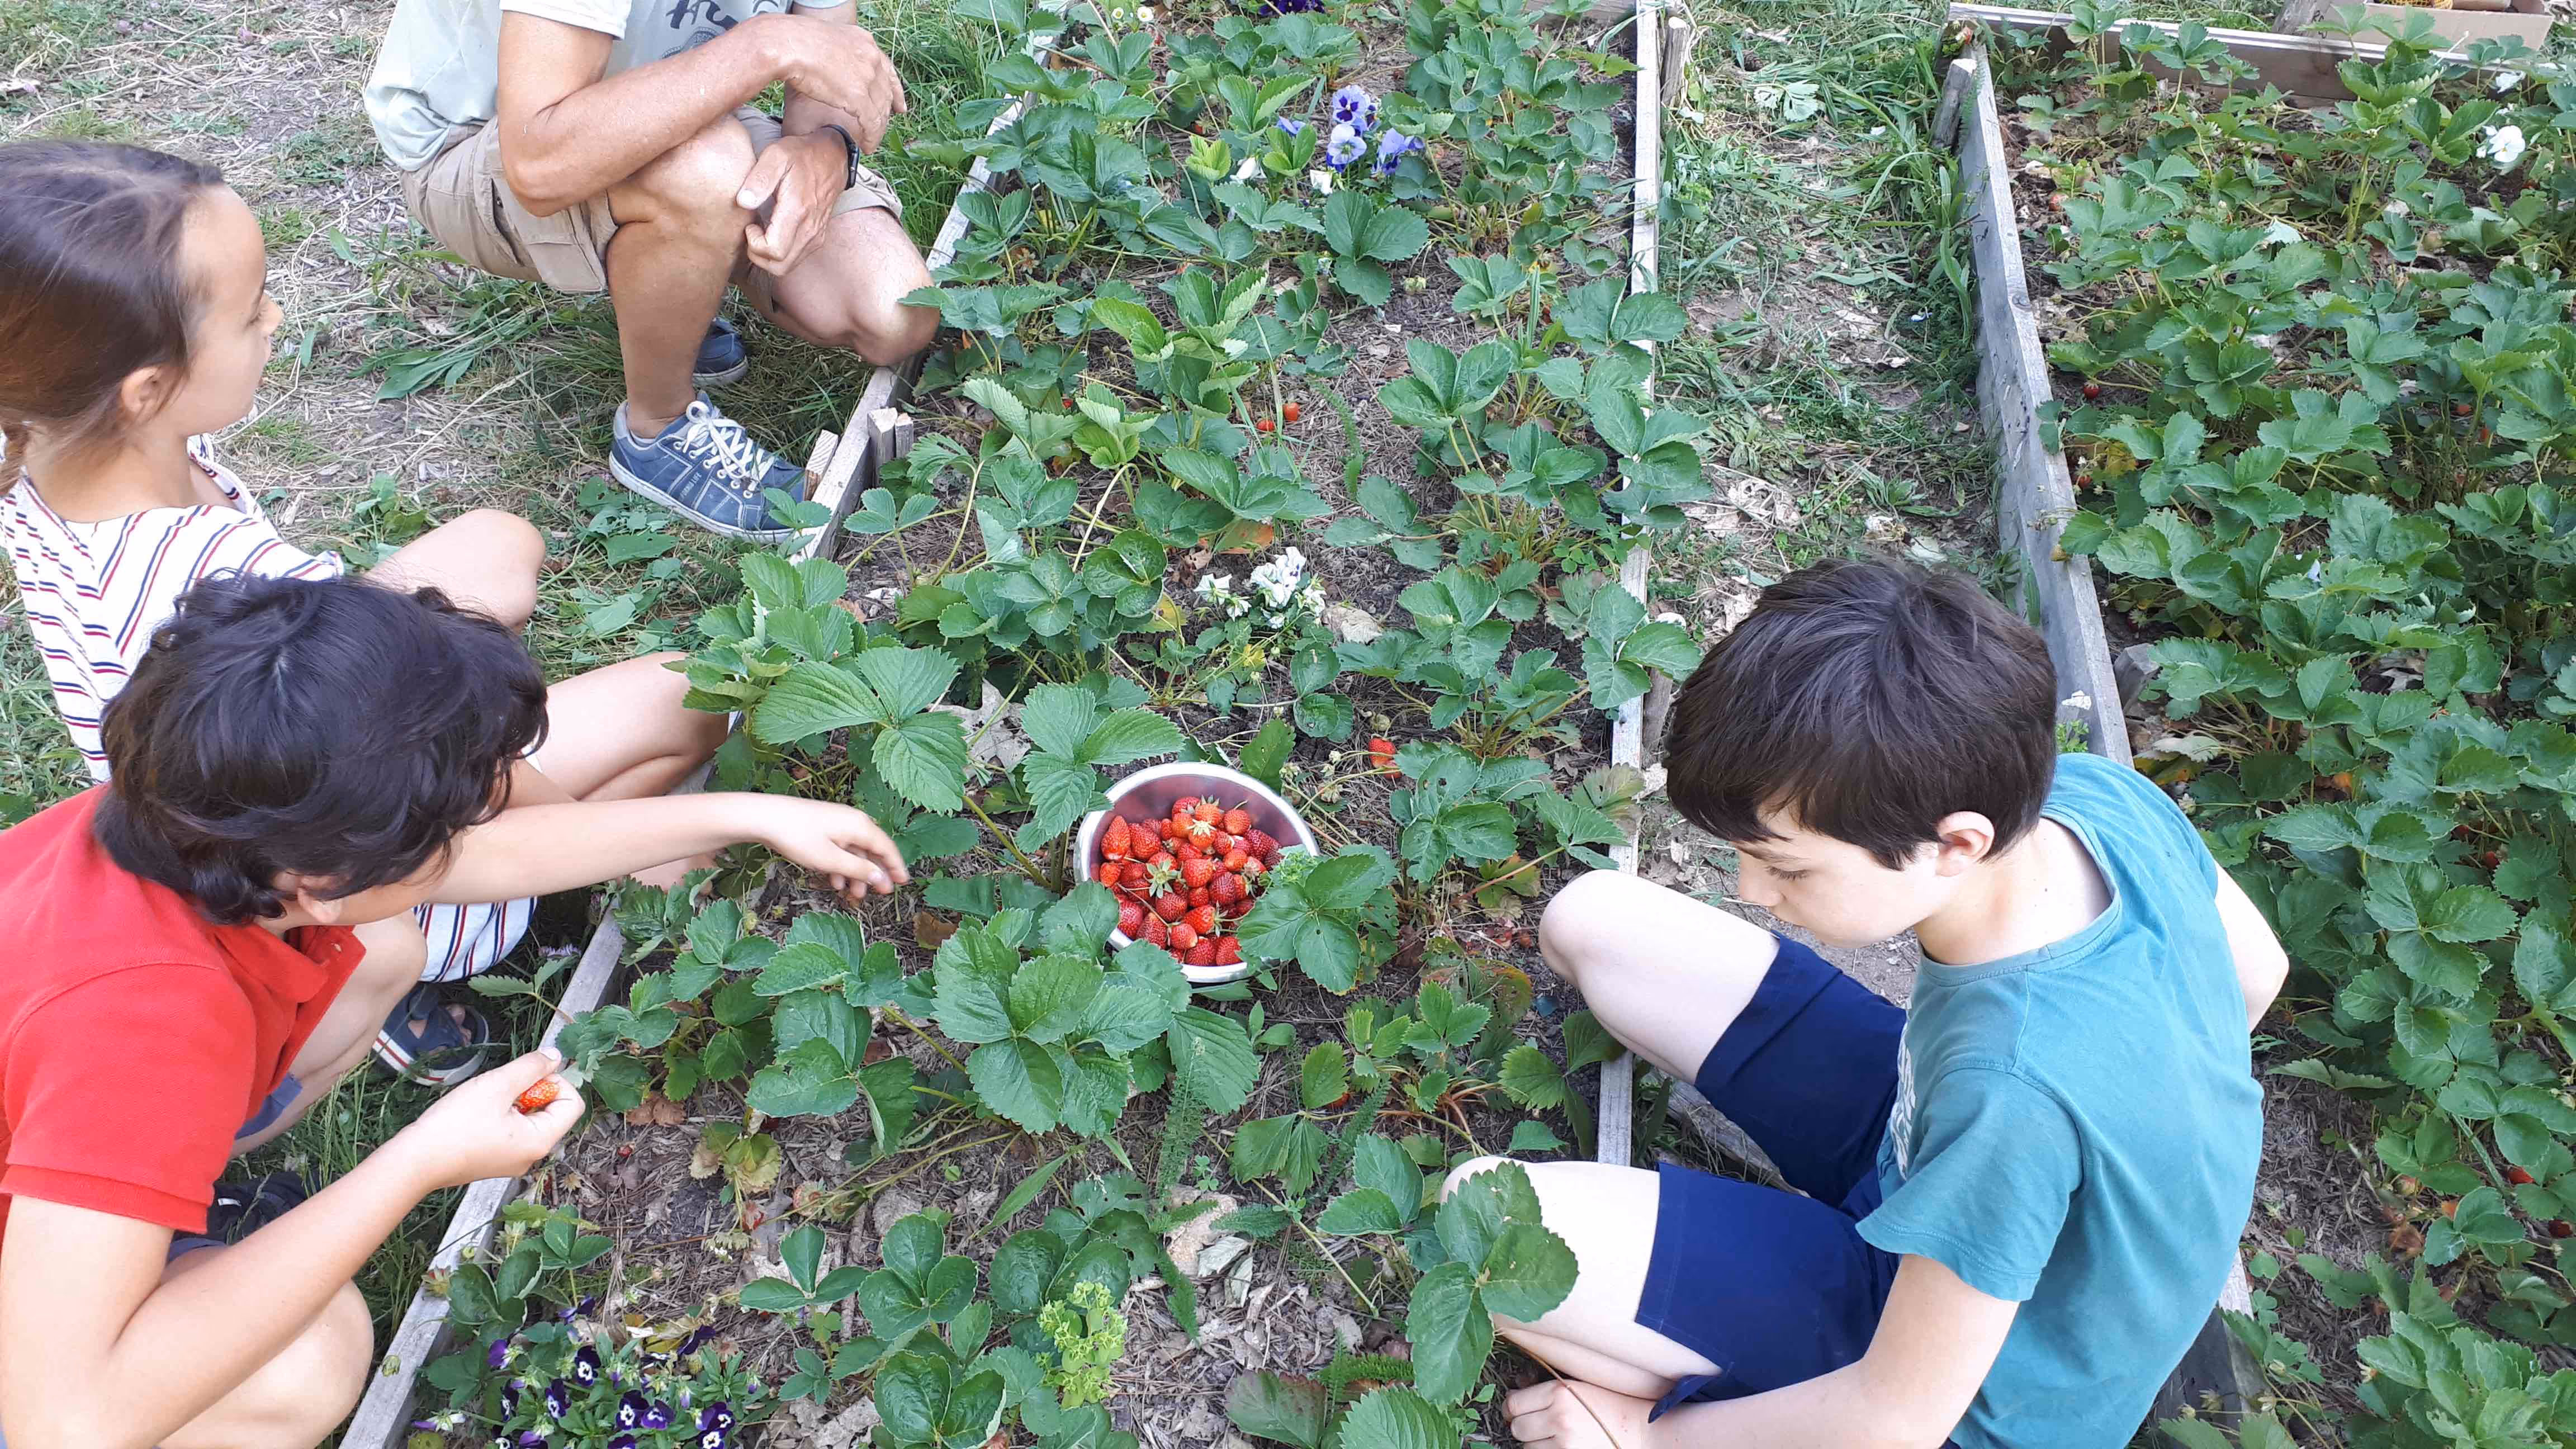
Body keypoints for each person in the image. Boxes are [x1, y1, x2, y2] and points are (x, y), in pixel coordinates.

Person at [0, 570, 911, 1449]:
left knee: (387, 946)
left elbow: (494, 853)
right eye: (441, 830)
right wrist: (420, 1160)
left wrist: (748, 815)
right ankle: (159, 1230)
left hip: (87, 1119)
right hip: (38, 1373)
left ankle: (171, 1196)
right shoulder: (144, 1032)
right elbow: (69, 1422)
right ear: (320, 882)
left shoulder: (205, 806)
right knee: (308, 1366)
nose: (470, 829)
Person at [1470, 560, 2288, 1449]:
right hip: (1926, 1138)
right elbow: (2257, 974)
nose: (1750, 889)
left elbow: (1894, 1420)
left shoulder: (2014, 1096)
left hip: (1964, 1397)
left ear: (1953, 844)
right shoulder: (2093, 800)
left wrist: (1653, 1441)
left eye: (1787, 866)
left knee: (1486, 1222)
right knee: (1590, 920)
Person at [0, 139, 735, 1083]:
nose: (275, 318)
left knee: (500, 548)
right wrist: (622, 854)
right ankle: (436, 969)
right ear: (148, 389)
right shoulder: (218, 571)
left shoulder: (46, 461)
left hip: (234, 800)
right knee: (689, 699)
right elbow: (487, 789)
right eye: (249, 309)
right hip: (365, 869)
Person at [362, 0, 939, 542]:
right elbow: (539, 165)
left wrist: (827, 149)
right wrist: (767, 44)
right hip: (481, 142)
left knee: (895, 314)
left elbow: (831, 73)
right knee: (705, 168)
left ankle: (672, 279)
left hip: (695, 110)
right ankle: (657, 426)